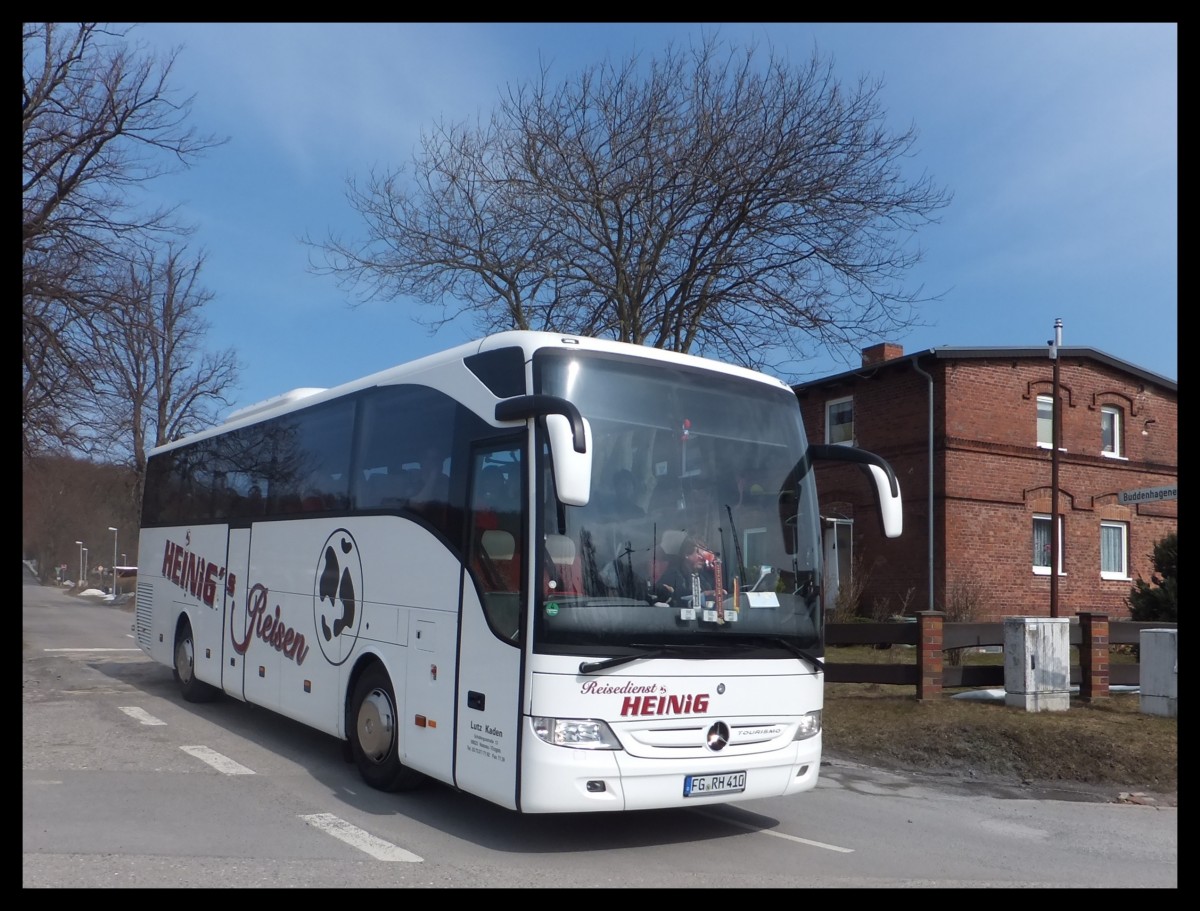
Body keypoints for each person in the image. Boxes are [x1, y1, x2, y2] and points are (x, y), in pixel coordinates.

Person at [653, 535, 724, 607]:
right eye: (699, 553)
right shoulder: (672, 576)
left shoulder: (704, 579)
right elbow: (675, 598)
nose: (703, 558)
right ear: (686, 554)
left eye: (705, 553)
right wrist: (704, 594)